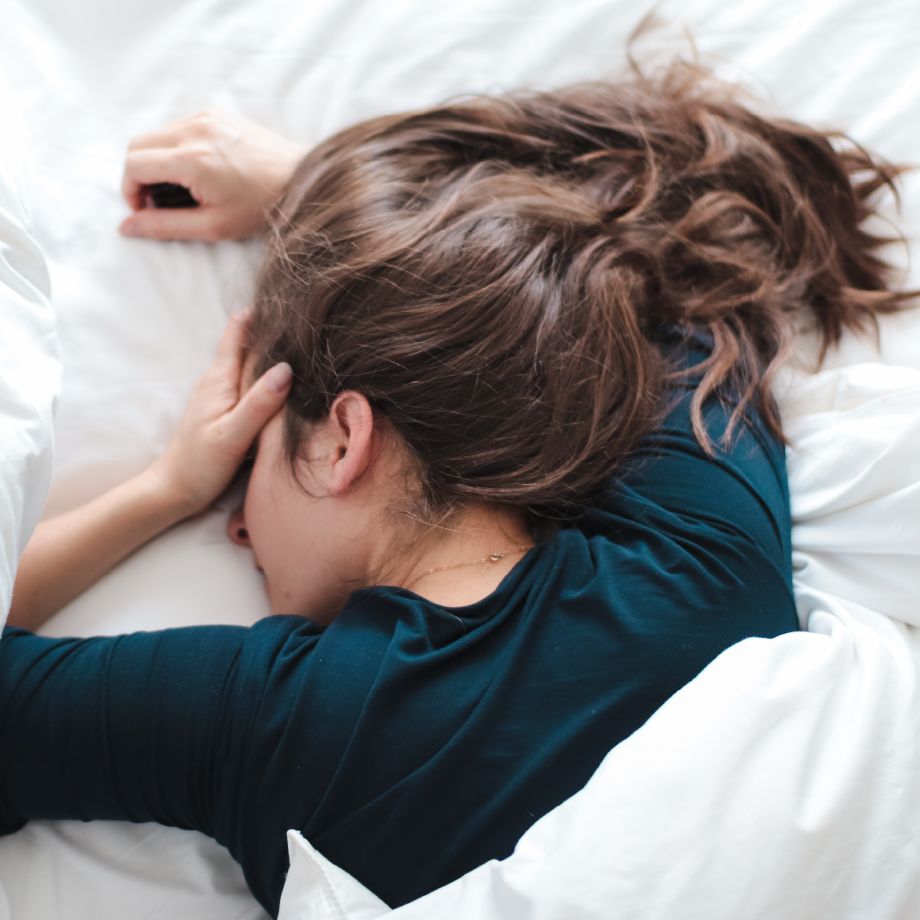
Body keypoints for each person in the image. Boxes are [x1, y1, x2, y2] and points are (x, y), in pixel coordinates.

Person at [0, 52, 914, 920]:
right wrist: (315, 184)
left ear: (342, 440)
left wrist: (162, 488)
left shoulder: (276, 728)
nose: (234, 525)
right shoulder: (696, 559)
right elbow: (658, 238)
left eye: (249, 467)